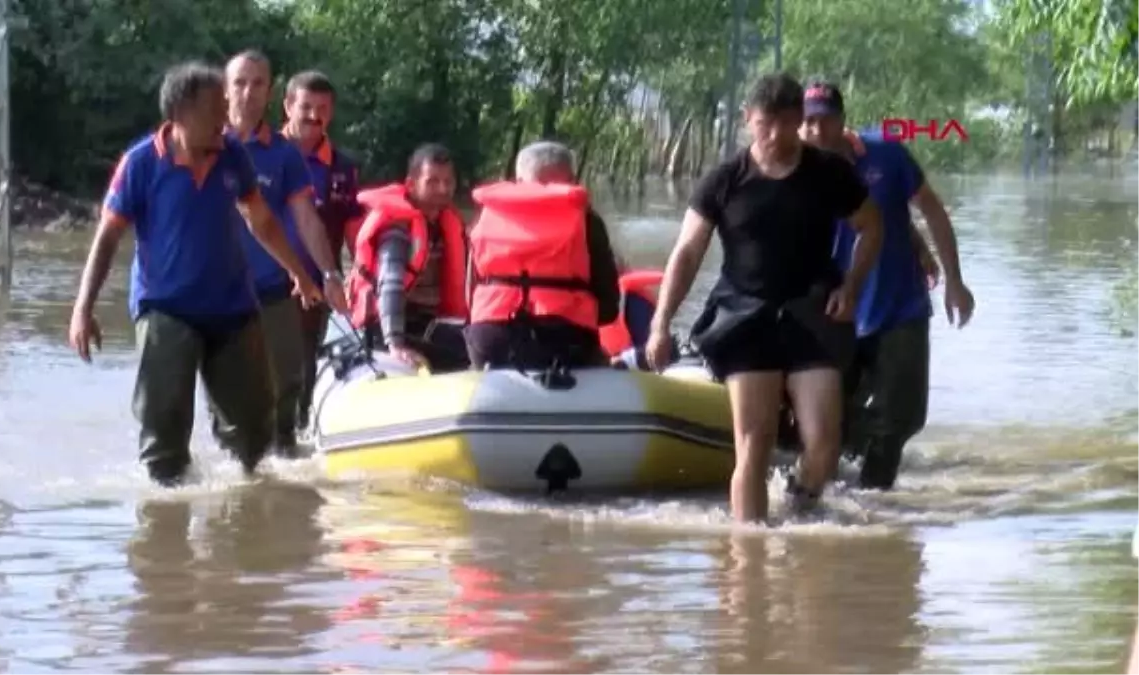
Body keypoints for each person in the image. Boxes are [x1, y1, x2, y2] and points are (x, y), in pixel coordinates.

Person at [67, 61, 322, 486]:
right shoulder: (141, 163)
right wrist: (82, 307)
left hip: (233, 308)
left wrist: (299, 273)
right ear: (181, 113)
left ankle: (245, 519)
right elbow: (108, 237)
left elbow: (260, 220)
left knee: (255, 435)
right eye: (215, 109)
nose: (225, 117)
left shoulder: (232, 156)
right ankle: (168, 519)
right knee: (163, 425)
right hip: (166, 307)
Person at [644, 72, 884, 523]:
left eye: (789, 124)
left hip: (812, 314)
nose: (777, 136)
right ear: (747, 120)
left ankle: (796, 502)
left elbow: (872, 227)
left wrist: (851, 285)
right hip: (744, 316)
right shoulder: (724, 180)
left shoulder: (829, 173)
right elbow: (688, 252)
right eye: (765, 124)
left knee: (825, 446)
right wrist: (660, 323)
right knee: (753, 447)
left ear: (801, 122)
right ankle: (748, 559)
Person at [800, 79, 975, 490]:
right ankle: (834, 490)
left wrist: (954, 279)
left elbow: (927, 208)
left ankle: (874, 500)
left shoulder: (887, 154)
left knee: (905, 413)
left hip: (898, 305)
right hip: (832, 312)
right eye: (807, 122)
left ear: (842, 121)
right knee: (831, 417)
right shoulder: (793, 170)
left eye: (825, 120)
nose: (816, 130)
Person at [223, 50, 348, 456]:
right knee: (231, 395)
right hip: (216, 290)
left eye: (258, 83)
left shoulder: (283, 155)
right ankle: (239, 463)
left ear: (269, 92)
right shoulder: (201, 144)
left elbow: (308, 219)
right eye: (240, 83)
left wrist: (330, 275)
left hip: (277, 284)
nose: (248, 92)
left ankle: (283, 472)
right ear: (225, 90)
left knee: (289, 382)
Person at [464, 141, 621, 370]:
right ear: (572, 181)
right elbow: (608, 309)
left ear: (518, 182)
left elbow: (469, 297)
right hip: (566, 345)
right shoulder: (588, 222)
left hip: (489, 343)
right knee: (603, 358)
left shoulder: (485, 218)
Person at [281, 69, 364, 431]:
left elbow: (355, 232)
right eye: (306, 106)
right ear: (287, 106)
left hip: (315, 287)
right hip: (257, 283)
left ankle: (294, 443)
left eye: (323, 108)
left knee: (303, 370)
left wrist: (364, 280)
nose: (314, 116)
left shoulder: (343, 168)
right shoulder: (261, 154)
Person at [345, 143, 471, 373]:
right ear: (411, 185)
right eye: (432, 181)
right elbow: (390, 283)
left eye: (448, 181)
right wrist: (395, 343)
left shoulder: (449, 223)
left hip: (429, 323)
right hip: (388, 327)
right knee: (465, 358)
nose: (443, 189)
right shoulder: (397, 228)